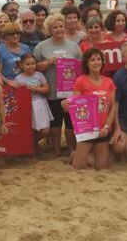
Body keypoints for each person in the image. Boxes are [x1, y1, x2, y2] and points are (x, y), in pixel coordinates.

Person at [34, 13, 82, 158]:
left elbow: (80, 67)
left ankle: (71, 149)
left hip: (70, 91)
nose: (59, 29)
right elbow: (34, 66)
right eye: (55, 27)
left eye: (61, 26)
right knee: (55, 123)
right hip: (52, 91)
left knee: (70, 123)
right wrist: (48, 62)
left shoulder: (73, 46)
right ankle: (56, 150)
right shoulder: (41, 46)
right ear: (50, 29)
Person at [65, 48, 116, 170]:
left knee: (101, 167)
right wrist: (66, 105)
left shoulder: (109, 82)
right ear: (86, 63)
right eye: (92, 60)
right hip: (87, 129)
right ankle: (75, 155)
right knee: (79, 167)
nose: (96, 62)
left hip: (103, 129)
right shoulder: (80, 81)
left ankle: (79, 154)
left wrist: (107, 127)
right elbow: (76, 106)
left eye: (99, 59)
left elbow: (113, 107)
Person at [14, 54, 53, 153]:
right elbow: (15, 94)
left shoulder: (39, 75)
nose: (31, 66)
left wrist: (36, 89)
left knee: (45, 130)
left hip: (40, 104)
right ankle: (32, 150)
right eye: (28, 64)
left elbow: (47, 88)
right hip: (26, 106)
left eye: (33, 64)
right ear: (21, 65)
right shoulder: (18, 78)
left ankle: (33, 144)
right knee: (31, 130)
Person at [0, 22, 31, 86]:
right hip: (7, 84)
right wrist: (8, 82)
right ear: (6, 35)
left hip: (25, 84)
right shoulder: (0, 50)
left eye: (18, 33)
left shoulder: (26, 48)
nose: (15, 35)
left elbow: (32, 67)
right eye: (12, 34)